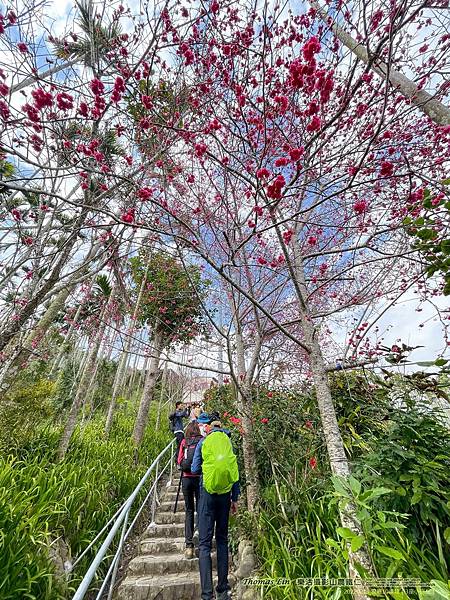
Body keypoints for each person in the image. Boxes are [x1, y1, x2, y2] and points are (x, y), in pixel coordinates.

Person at [192, 419, 240, 600]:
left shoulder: (204, 442)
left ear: (209, 429)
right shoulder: (228, 443)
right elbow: (235, 472)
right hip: (225, 496)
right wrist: (234, 499)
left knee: (204, 544)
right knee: (221, 540)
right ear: (223, 429)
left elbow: (195, 468)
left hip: (207, 495)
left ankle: (206, 594)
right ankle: (222, 589)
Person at [177, 421, 203, 559]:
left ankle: (189, 547)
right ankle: (199, 533)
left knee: (189, 510)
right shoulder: (202, 440)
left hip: (186, 478)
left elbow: (179, 460)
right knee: (200, 508)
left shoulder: (184, 442)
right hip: (199, 477)